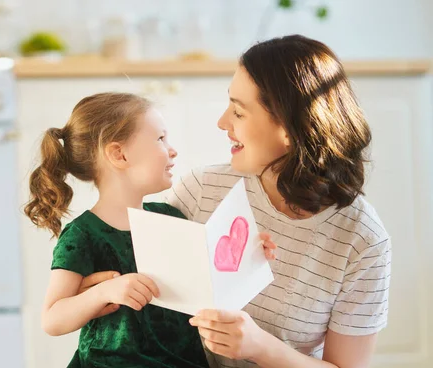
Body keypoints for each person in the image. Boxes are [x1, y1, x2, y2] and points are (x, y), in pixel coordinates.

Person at [79, 35, 392, 368]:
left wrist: (261, 347)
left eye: (239, 112)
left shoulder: (362, 240)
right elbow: (127, 270)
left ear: (289, 129)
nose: (222, 122)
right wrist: (98, 287)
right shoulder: (202, 189)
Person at [24, 92, 277, 367]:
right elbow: (52, 319)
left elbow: (205, 282)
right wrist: (103, 292)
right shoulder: (83, 235)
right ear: (119, 154)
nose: (172, 149)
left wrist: (249, 255)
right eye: (160, 139)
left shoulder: (170, 216)